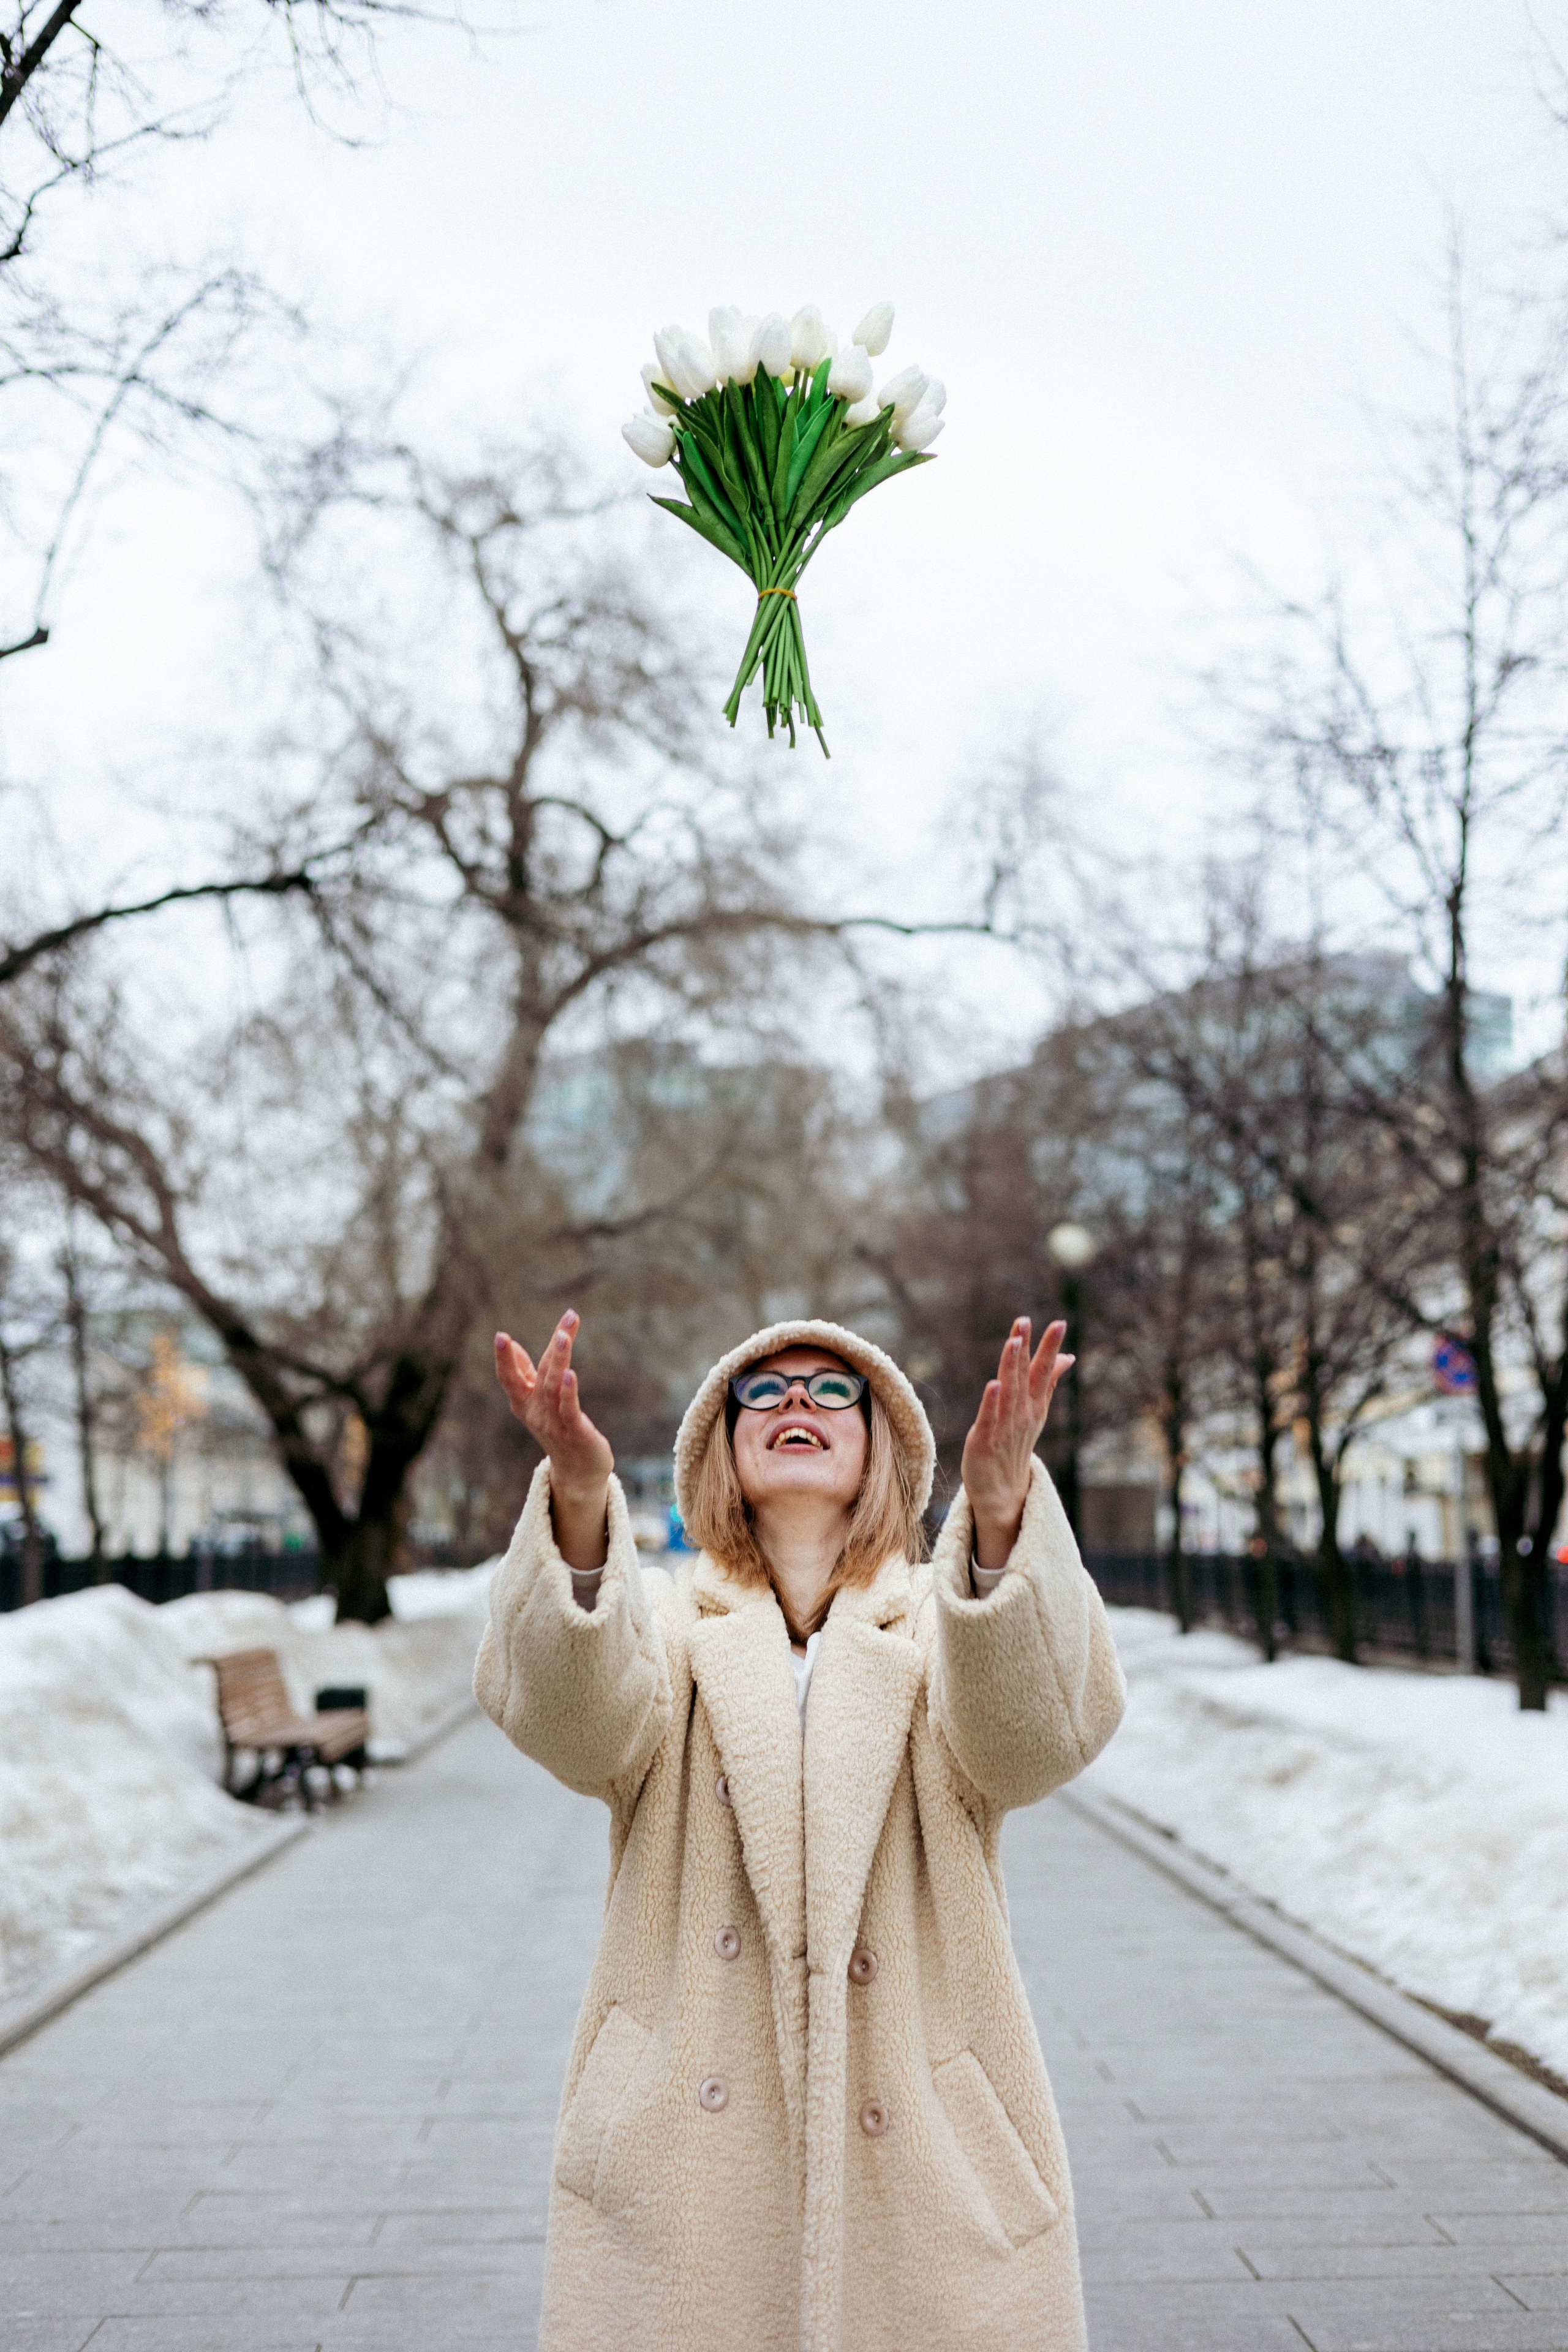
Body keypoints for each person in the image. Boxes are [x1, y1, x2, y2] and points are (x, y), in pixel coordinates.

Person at [476, 1310, 1126, 2352]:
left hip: (928, 2141)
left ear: (880, 1445)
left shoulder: (936, 1620)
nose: (796, 1404)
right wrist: (582, 1493)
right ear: (719, 1445)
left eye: (834, 1391)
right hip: (682, 2150)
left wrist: (1002, 1512)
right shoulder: (674, 1627)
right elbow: (572, 1721)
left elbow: (1034, 1743)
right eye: (764, 1391)